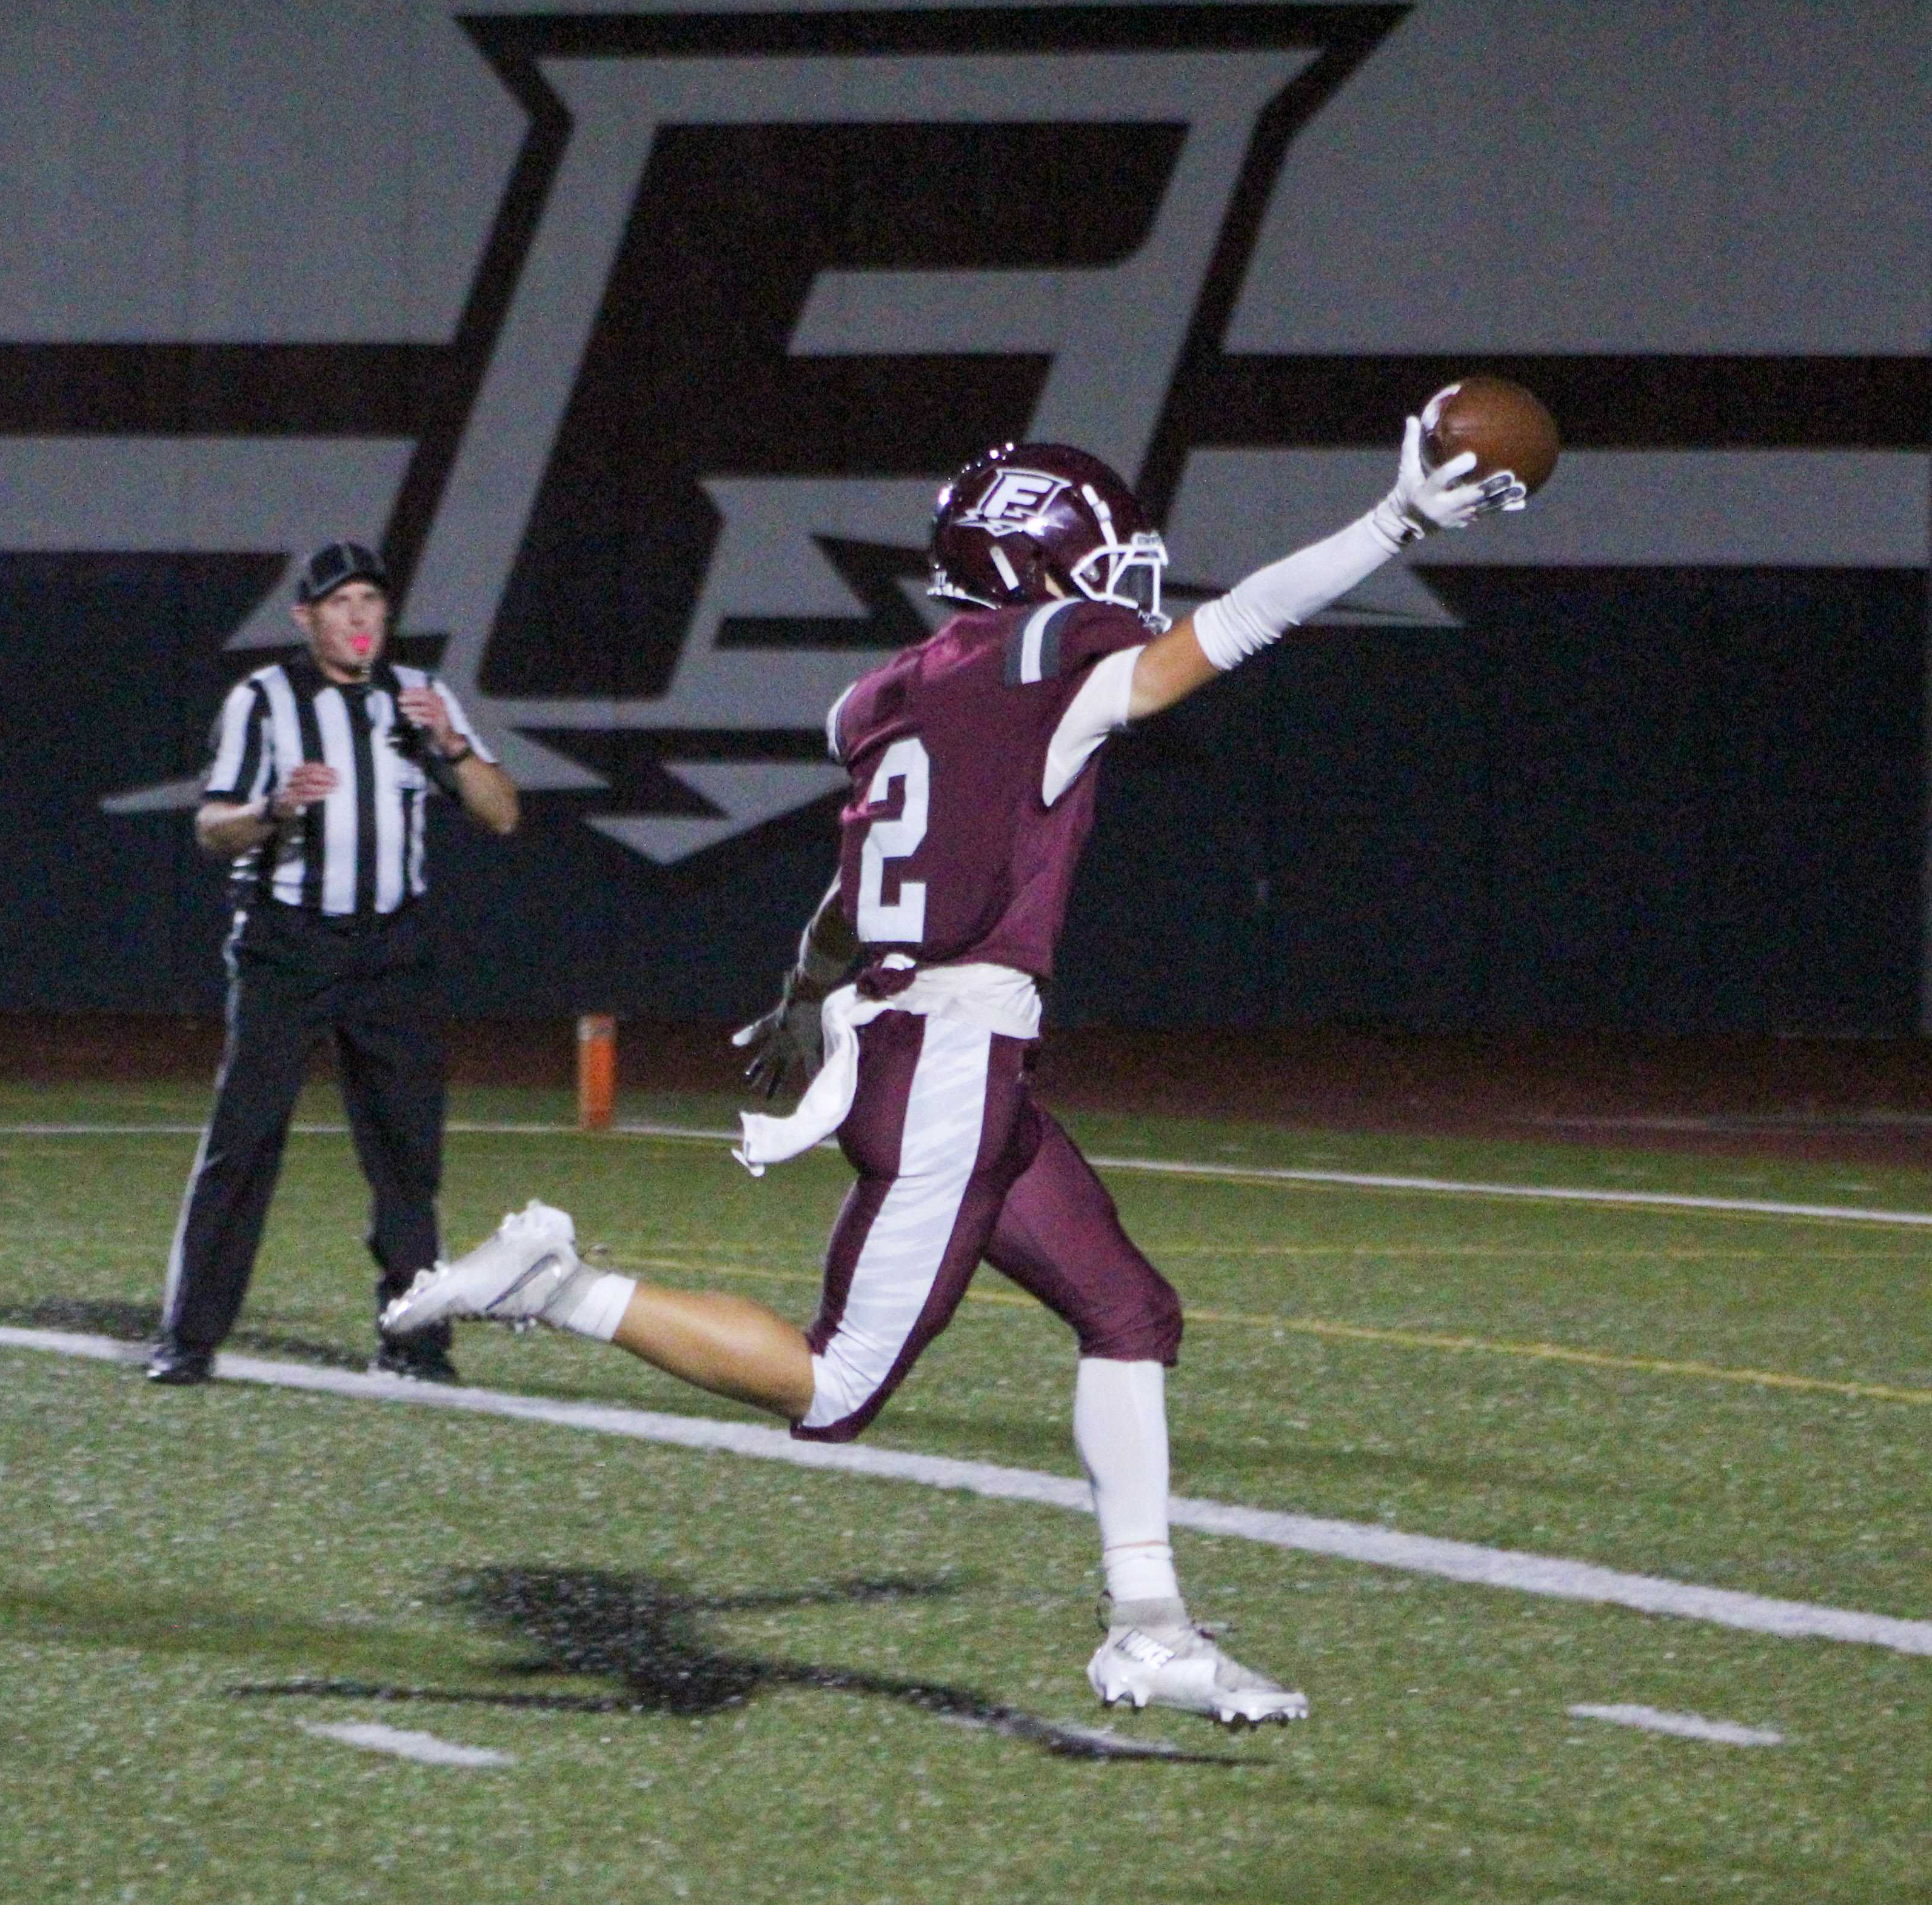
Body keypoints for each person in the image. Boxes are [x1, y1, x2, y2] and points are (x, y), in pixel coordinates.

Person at [384, 419, 1511, 1723]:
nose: (1125, 589)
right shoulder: (1053, 656)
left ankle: (1148, 1629)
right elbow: (1230, 633)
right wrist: (1394, 524)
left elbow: (852, 888)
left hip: (924, 1040)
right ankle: (565, 1288)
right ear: (1041, 562)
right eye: (1101, 560)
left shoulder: (885, 694)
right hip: (950, 1054)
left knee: (1128, 1311)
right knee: (837, 1379)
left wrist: (807, 994)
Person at [148, 541, 520, 1387]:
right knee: (243, 1142)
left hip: (392, 950)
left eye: (371, 602)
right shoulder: (266, 700)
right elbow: (212, 830)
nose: (359, 618)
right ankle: (188, 1336)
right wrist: (274, 809)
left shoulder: (418, 698)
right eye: (341, 603)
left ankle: (415, 1340)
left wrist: (454, 747)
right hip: (288, 943)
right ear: (305, 617)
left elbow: (502, 815)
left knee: (405, 1156)